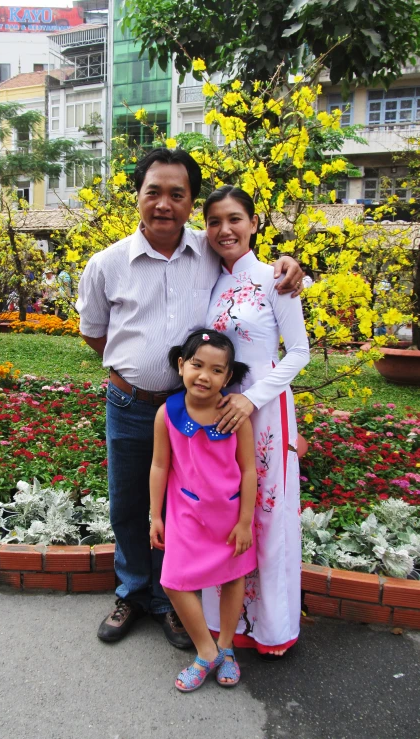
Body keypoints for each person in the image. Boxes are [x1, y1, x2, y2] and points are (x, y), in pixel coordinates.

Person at [76, 148, 304, 648]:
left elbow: (250, 256)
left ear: (189, 202)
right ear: (136, 195)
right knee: (130, 503)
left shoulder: (208, 250)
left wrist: (289, 263)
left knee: (184, 506)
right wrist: (132, 367)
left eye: (177, 194)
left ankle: (171, 600)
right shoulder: (107, 263)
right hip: (131, 402)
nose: (163, 204)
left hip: (191, 408)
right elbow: (94, 333)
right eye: (153, 191)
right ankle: (133, 592)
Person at [201, 185, 310, 659]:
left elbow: (299, 353)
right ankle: (219, 622)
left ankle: (269, 627)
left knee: (267, 512)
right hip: (220, 412)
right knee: (224, 509)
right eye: (214, 221)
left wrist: (253, 399)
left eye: (235, 219)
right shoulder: (210, 279)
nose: (225, 230)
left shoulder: (274, 279)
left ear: (253, 224)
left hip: (264, 413)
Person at [150, 329, 257, 692]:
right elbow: (160, 466)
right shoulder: (167, 414)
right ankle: (206, 650)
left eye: (216, 370)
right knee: (173, 581)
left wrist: (245, 522)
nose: (204, 376)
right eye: (197, 365)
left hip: (229, 518)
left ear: (227, 377)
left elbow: (248, 470)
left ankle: (226, 647)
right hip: (186, 516)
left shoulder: (235, 415)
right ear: (181, 365)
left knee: (231, 577)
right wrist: (155, 514)